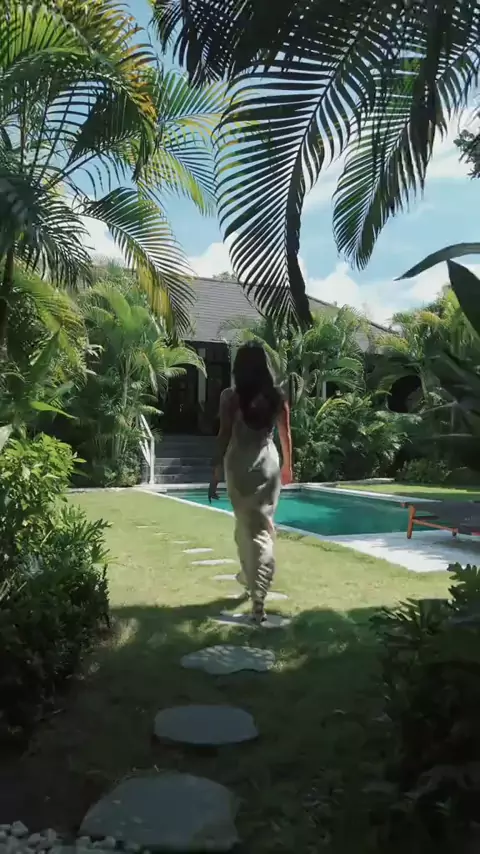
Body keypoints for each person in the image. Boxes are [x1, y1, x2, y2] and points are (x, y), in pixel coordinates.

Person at [208, 342, 293, 624]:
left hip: (238, 467)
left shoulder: (230, 397)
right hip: (267, 465)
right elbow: (285, 435)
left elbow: (223, 435)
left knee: (250, 527)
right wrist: (288, 467)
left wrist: (215, 471)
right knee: (258, 527)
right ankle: (250, 578)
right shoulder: (276, 397)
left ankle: (258, 598)